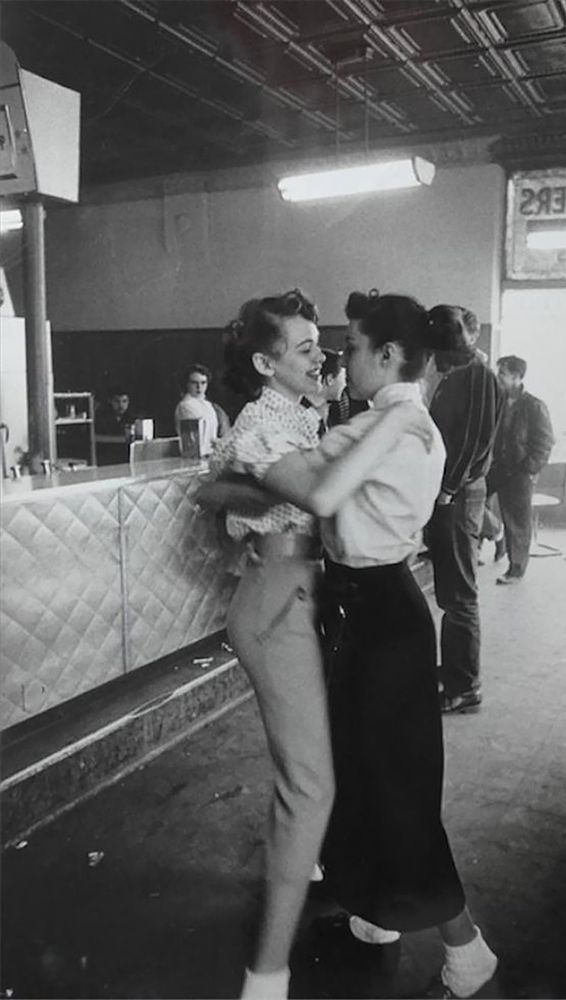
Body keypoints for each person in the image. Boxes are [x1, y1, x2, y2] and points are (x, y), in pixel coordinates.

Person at [200, 289, 431, 1000]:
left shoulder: (295, 413)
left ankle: (332, 884)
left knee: (331, 768)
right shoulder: (265, 420)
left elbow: (220, 491)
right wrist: (395, 421)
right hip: (277, 603)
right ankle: (265, 974)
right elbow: (317, 494)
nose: (322, 355)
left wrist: (227, 492)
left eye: (323, 344)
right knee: (311, 787)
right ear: (267, 362)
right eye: (304, 347)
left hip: (307, 597)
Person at [314, 291, 497, 1000]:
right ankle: (376, 912)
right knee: (361, 771)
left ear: (387, 354)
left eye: (352, 346)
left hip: (381, 614)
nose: (343, 358)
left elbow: (313, 489)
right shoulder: (395, 419)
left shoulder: (390, 424)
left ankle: (466, 947)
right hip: (370, 608)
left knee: (395, 785)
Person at [425, 305, 503, 714]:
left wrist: (448, 490)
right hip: (452, 493)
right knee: (452, 591)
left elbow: (474, 443)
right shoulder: (460, 375)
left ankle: (465, 686)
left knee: (459, 595)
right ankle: (456, 670)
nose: (435, 360)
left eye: (439, 352)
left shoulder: (479, 377)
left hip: (458, 494)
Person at [489, 355, 554, 585]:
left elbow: (545, 443)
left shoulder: (534, 406)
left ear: (517, 377)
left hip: (519, 472)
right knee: (473, 501)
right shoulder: (497, 400)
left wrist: (528, 468)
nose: (498, 377)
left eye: (503, 374)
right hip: (496, 468)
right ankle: (496, 535)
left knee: (518, 521)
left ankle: (516, 570)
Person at [174, 363, 231, 457]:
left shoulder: (208, 405)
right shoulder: (185, 406)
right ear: (187, 384)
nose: (199, 387)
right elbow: (198, 438)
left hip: (212, 455)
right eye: (194, 383)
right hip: (195, 457)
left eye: (203, 383)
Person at [94, 386, 135, 465]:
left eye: (124, 401)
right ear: (110, 401)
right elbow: (95, 438)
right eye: (117, 401)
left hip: (126, 459)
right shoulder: (102, 417)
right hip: (106, 458)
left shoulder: (131, 418)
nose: (121, 405)